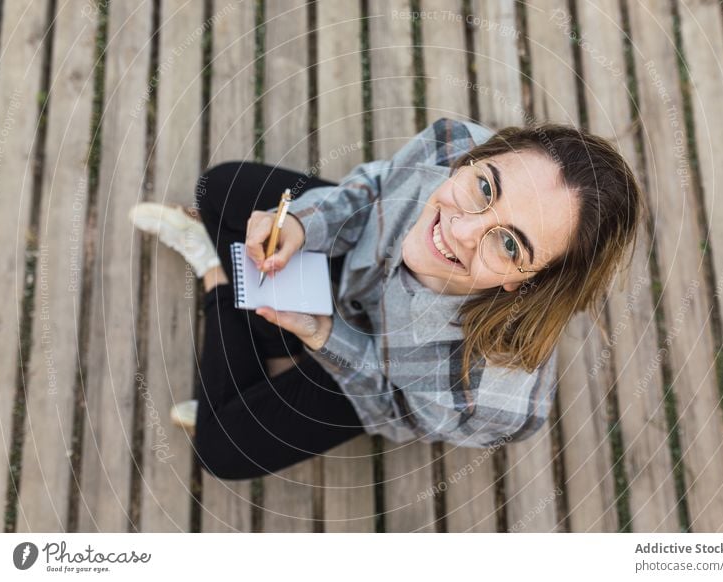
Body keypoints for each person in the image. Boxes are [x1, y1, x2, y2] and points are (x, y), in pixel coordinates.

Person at [129, 117, 645, 480]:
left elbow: (387, 388)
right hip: (359, 274)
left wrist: (322, 334)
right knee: (219, 189)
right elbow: (375, 186)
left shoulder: (487, 392)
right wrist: (305, 227)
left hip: (380, 376)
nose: (461, 230)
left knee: (223, 448)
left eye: (510, 244)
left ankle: (216, 275)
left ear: (528, 281)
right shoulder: (452, 144)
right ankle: (259, 326)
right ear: (475, 159)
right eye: (484, 188)